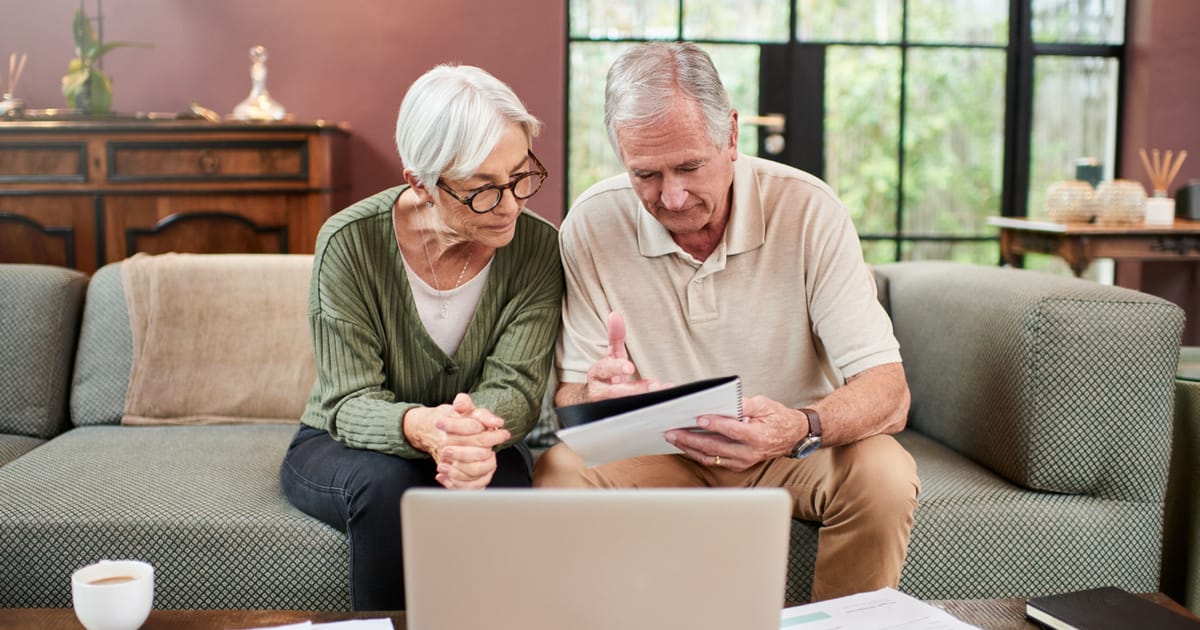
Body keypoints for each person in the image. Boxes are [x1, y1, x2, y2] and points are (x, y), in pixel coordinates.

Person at [533, 42, 919, 601]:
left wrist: (799, 426)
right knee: (558, 474)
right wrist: (597, 398)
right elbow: (571, 398)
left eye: (689, 166)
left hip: (791, 448)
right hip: (661, 450)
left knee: (883, 473)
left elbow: (890, 393)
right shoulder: (592, 223)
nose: (672, 196)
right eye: (646, 174)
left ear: (732, 135)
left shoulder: (810, 209)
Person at [280, 64, 563, 610]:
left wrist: (462, 438)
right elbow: (349, 399)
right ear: (421, 183)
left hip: (485, 436)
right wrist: (422, 427)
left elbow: (518, 389)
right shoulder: (349, 242)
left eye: (520, 175)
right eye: (482, 189)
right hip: (345, 442)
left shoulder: (538, 248)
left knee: (498, 488)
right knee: (392, 490)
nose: (509, 205)